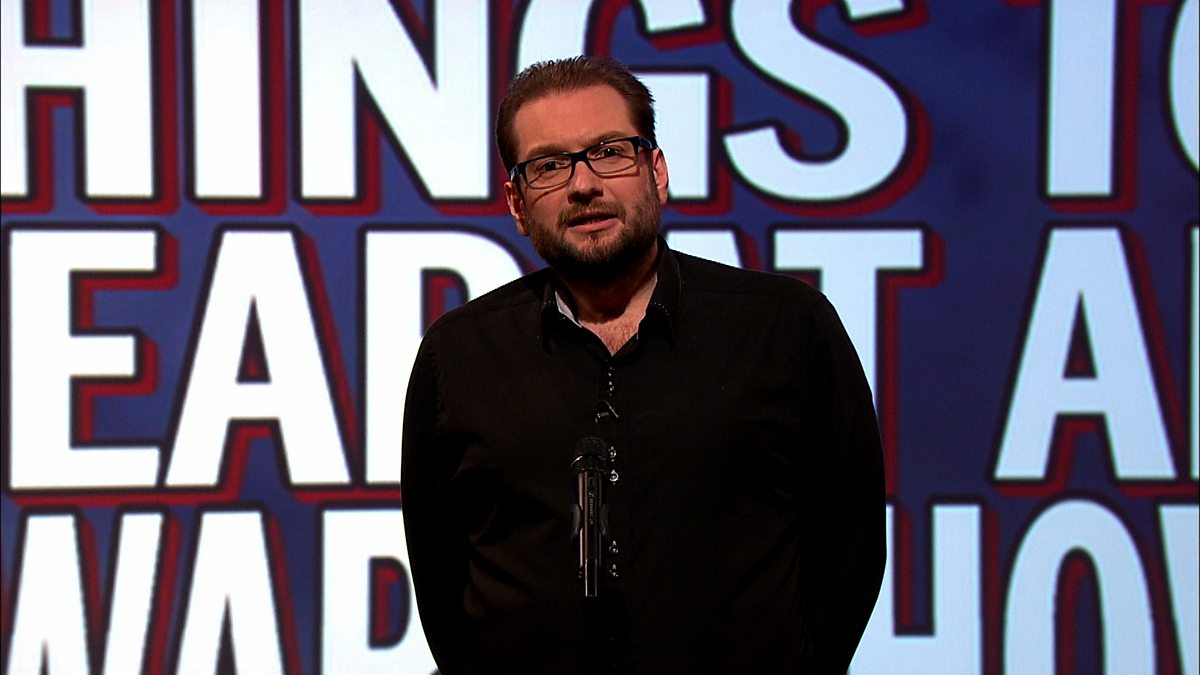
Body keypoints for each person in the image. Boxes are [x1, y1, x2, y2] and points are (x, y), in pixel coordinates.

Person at [402, 56, 885, 674]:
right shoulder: (459, 354)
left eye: (609, 152)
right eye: (549, 165)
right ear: (517, 203)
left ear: (656, 172)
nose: (583, 184)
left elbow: (849, 547)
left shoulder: (786, 327)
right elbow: (442, 578)